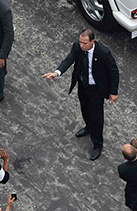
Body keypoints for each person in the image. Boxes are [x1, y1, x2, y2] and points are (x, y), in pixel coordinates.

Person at [42, 29, 119, 160]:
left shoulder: (103, 52)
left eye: (84, 43)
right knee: (84, 109)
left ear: (92, 42)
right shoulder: (77, 46)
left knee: (97, 117)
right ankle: (88, 127)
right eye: (80, 42)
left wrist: (113, 92)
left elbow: (114, 72)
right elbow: (69, 59)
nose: (81, 46)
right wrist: (57, 72)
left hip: (96, 89)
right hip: (83, 84)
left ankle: (97, 144)